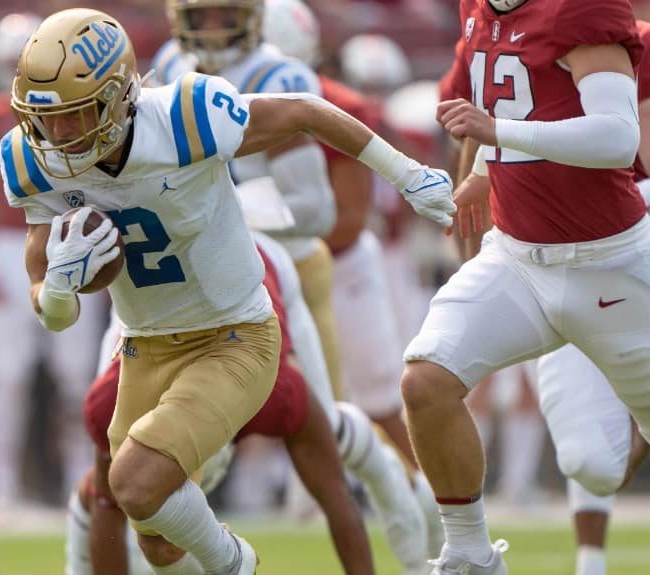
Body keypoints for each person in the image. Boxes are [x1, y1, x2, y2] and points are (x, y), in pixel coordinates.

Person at [1, 8, 453, 573]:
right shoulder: (32, 156)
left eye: (74, 115)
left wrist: (409, 175)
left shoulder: (186, 116)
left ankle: (236, 564)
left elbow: (304, 113)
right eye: (47, 119)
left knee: (134, 481)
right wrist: (61, 293)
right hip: (143, 345)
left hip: (232, 334)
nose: (59, 135)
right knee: (158, 542)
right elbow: (47, 294)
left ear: (117, 97)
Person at [153, 0, 440, 569]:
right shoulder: (166, 65)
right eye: (200, 15)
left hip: (282, 264)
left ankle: (409, 498)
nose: (211, 28)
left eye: (223, 14)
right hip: (192, 273)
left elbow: (316, 211)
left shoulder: (278, 78)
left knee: (321, 421)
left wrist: (231, 217)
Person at [404, 0, 650, 573]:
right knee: (425, 381)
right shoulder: (480, 9)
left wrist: (497, 133)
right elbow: (515, 101)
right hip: (517, 259)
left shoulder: (579, 10)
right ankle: (469, 553)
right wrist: (483, 172)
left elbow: (618, 139)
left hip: (608, 264)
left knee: (600, 460)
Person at [67, 186, 377, 575]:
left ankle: (430, 536)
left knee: (340, 435)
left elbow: (338, 498)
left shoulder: (280, 395)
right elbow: (103, 505)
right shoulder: (107, 400)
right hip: (147, 331)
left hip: (255, 308)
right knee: (124, 502)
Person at [0, 12, 107, 508]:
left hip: (66, 242)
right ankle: (1, 483)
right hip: (5, 248)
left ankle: (79, 478)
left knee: (76, 374)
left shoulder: (80, 112)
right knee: (5, 376)